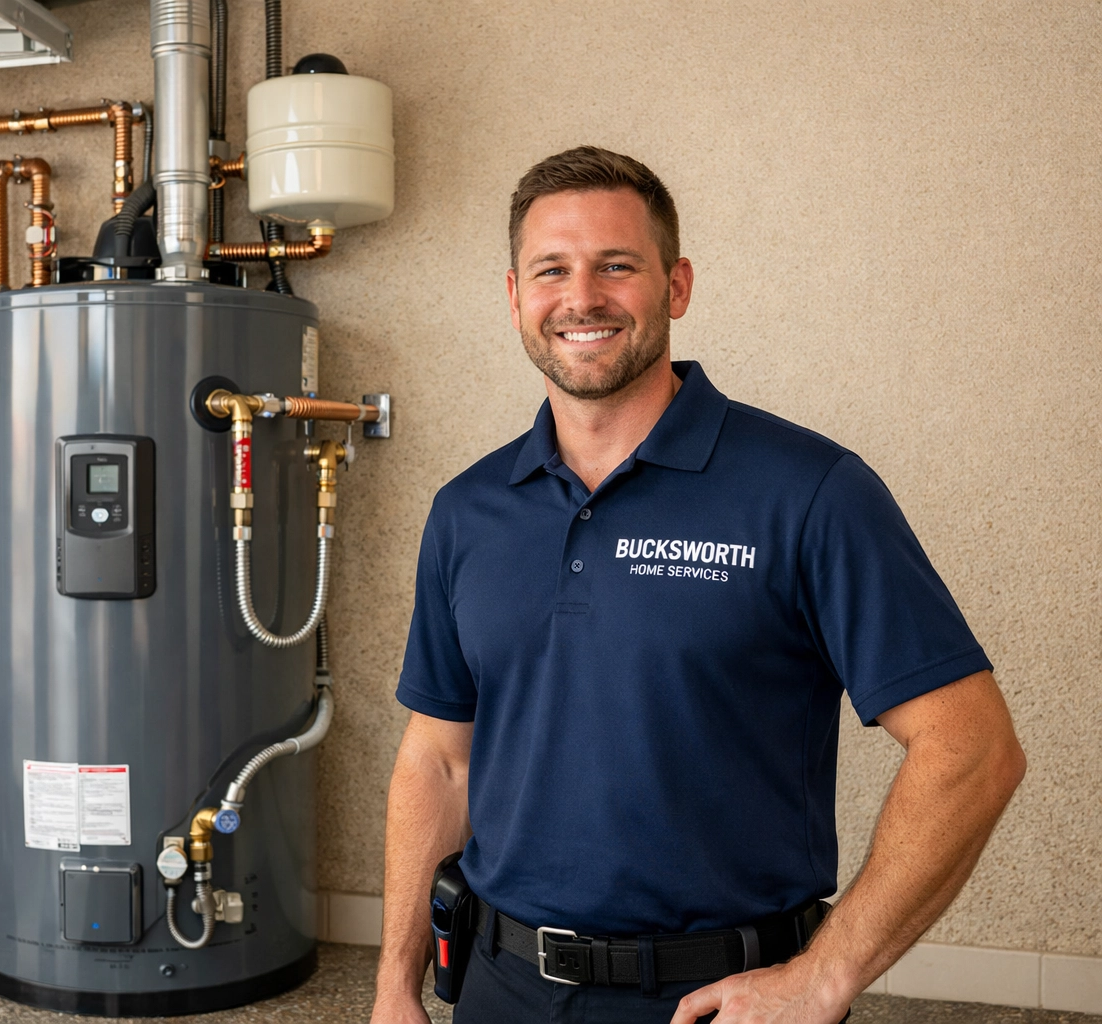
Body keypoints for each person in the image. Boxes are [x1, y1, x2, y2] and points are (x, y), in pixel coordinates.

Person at [369, 146, 1026, 1024]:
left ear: (676, 287)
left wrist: (824, 976)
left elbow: (972, 747)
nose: (582, 297)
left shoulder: (809, 492)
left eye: (617, 265)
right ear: (516, 297)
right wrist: (395, 985)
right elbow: (439, 760)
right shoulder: (468, 510)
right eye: (552, 270)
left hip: (714, 1001)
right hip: (500, 989)